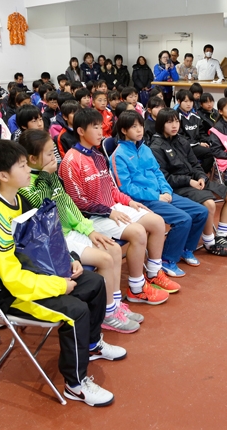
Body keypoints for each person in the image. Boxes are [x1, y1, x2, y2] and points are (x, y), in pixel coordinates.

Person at [0, 139, 126, 406]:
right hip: (10, 294)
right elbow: (12, 280)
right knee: (76, 311)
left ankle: (92, 345)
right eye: (22, 166)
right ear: (3, 176)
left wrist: (70, 260)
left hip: (35, 274)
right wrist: (59, 285)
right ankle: (75, 385)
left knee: (94, 282)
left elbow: (46, 239)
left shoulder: (18, 199)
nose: (28, 170)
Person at [19, 129, 142, 333]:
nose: (54, 158)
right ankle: (107, 314)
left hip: (70, 232)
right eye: (49, 154)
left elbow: (67, 203)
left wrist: (88, 230)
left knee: (112, 248)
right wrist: (45, 176)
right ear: (32, 159)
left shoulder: (49, 175)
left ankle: (115, 305)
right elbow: (40, 205)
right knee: (105, 259)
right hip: (55, 240)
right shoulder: (27, 184)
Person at [59, 108, 174, 302]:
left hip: (112, 208)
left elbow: (111, 188)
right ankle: (137, 288)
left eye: (100, 126)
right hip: (93, 218)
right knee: (138, 232)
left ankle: (154, 273)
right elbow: (77, 202)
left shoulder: (97, 155)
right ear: (80, 131)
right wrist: (108, 212)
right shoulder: (71, 161)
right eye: (95, 127)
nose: (100, 132)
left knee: (157, 222)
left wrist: (129, 201)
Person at [112, 110, 209, 277]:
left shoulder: (145, 149)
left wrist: (166, 190)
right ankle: (167, 260)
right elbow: (126, 188)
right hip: (143, 200)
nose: (139, 130)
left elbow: (158, 173)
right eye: (134, 127)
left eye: (141, 126)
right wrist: (156, 196)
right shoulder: (118, 155)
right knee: (183, 219)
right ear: (123, 130)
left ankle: (185, 249)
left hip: (161, 194)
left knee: (201, 211)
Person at [150, 109, 227, 255]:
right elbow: (165, 178)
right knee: (209, 204)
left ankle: (221, 235)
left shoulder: (182, 140)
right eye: (169, 122)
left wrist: (201, 177)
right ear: (161, 124)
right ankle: (209, 242)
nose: (174, 125)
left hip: (194, 180)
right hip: (178, 186)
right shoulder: (156, 147)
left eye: (176, 121)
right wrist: (189, 181)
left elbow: (195, 164)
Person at [176, 89, 214, 173]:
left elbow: (202, 133)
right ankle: (201, 174)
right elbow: (179, 136)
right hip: (184, 146)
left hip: (197, 145)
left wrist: (208, 142)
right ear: (179, 101)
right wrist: (198, 143)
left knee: (215, 148)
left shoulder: (195, 117)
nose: (189, 104)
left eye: (191, 101)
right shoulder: (176, 117)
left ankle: (201, 174)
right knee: (210, 153)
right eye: (185, 101)